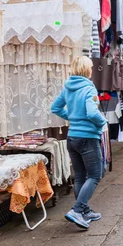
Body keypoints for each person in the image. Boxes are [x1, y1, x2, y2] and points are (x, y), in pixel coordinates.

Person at [51, 56, 107, 230]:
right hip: (88, 138)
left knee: (81, 176)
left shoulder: (68, 88)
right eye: (90, 67)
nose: (92, 70)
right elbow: (92, 113)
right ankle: (76, 210)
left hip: (72, 138)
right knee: (95, 175)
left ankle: (84, 210)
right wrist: (102, 122)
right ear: (86, 70)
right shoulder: (89, 89)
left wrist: (73, 118)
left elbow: (55, 108)